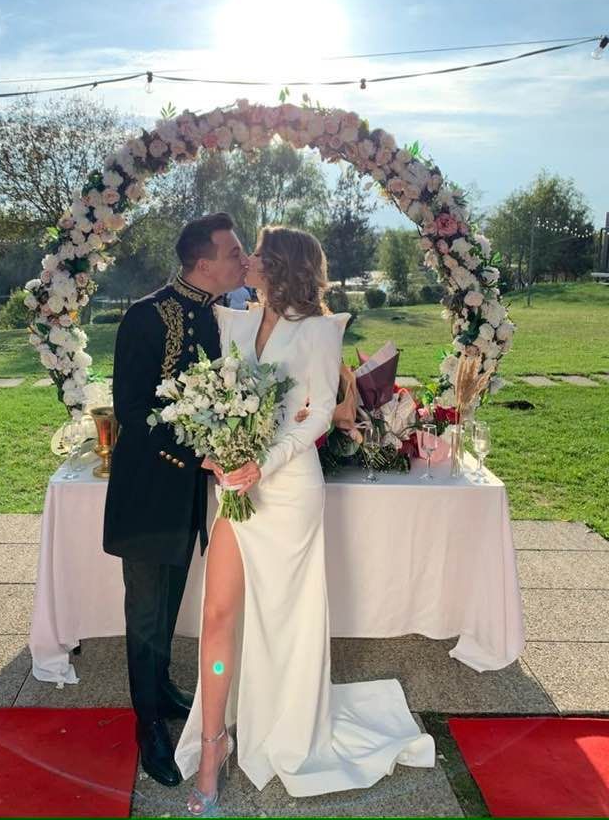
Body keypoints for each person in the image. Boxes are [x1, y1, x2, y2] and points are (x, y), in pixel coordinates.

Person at [174, 226, 435, 814]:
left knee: (284, 620)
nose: (248, 259)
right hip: (236, 486)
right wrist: (218, 450)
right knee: (218, 613)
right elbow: (220, 397)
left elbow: (318, 415)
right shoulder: (232, 321)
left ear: (281, 265)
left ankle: (286, 726)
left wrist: (261, 464)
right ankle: (213, 744)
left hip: (288, 490)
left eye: (258, 252)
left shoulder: (320, 330)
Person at [103, 212, 248, 787]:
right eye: (233, 252)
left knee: (167, 605)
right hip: (147, 492)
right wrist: (198, 456)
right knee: (145, 614)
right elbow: (132, 409)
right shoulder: (146, 316)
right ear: (203, 262)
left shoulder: (219, 315)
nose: (242, 260)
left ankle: (161, 690)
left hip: (185, 495)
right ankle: (148, 728)